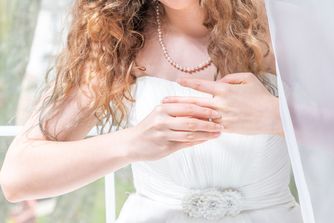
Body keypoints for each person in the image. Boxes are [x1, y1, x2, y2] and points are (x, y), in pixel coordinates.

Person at [0, 0, 303, 222]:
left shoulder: (282, 24)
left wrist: (279, 117)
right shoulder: (120, 39)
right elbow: (18, 176)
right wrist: (132, 143)